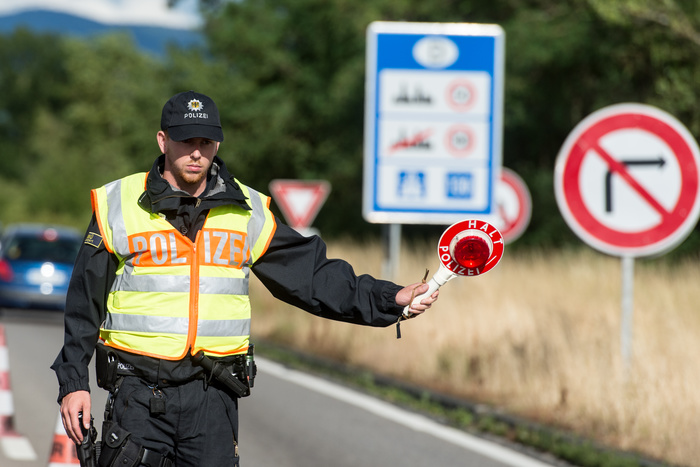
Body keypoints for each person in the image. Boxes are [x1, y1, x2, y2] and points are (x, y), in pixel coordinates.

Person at [51, 90, 438, 467]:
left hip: (213, 397)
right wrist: (74, 382)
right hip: (137, 393)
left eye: (207, 141)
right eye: (186, 141)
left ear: (218, 145)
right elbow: (84, 302)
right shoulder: (117, 203)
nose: (197, 152)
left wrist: (391, 298)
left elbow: (312, 275)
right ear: (163, 140)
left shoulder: (248, 211)